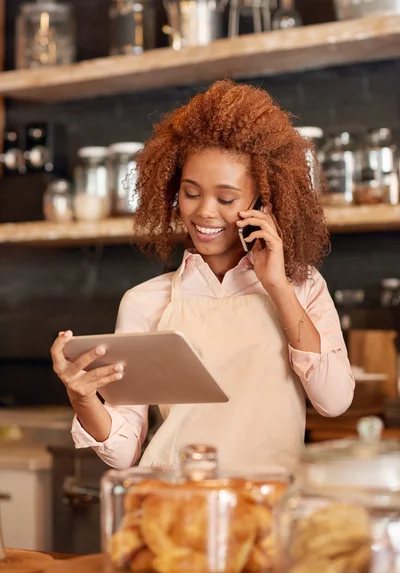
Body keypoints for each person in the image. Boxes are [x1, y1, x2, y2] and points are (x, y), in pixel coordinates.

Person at [51, 80, 354, 473]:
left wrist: (278, 286)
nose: (204, 212)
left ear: (264, 200)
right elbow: (125, 451)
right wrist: (83, 398)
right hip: (175, 504)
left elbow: (334, 401)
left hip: (268, 509)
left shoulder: (302, 286)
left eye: (226, 199)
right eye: (191, 193)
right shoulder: (145, 302)